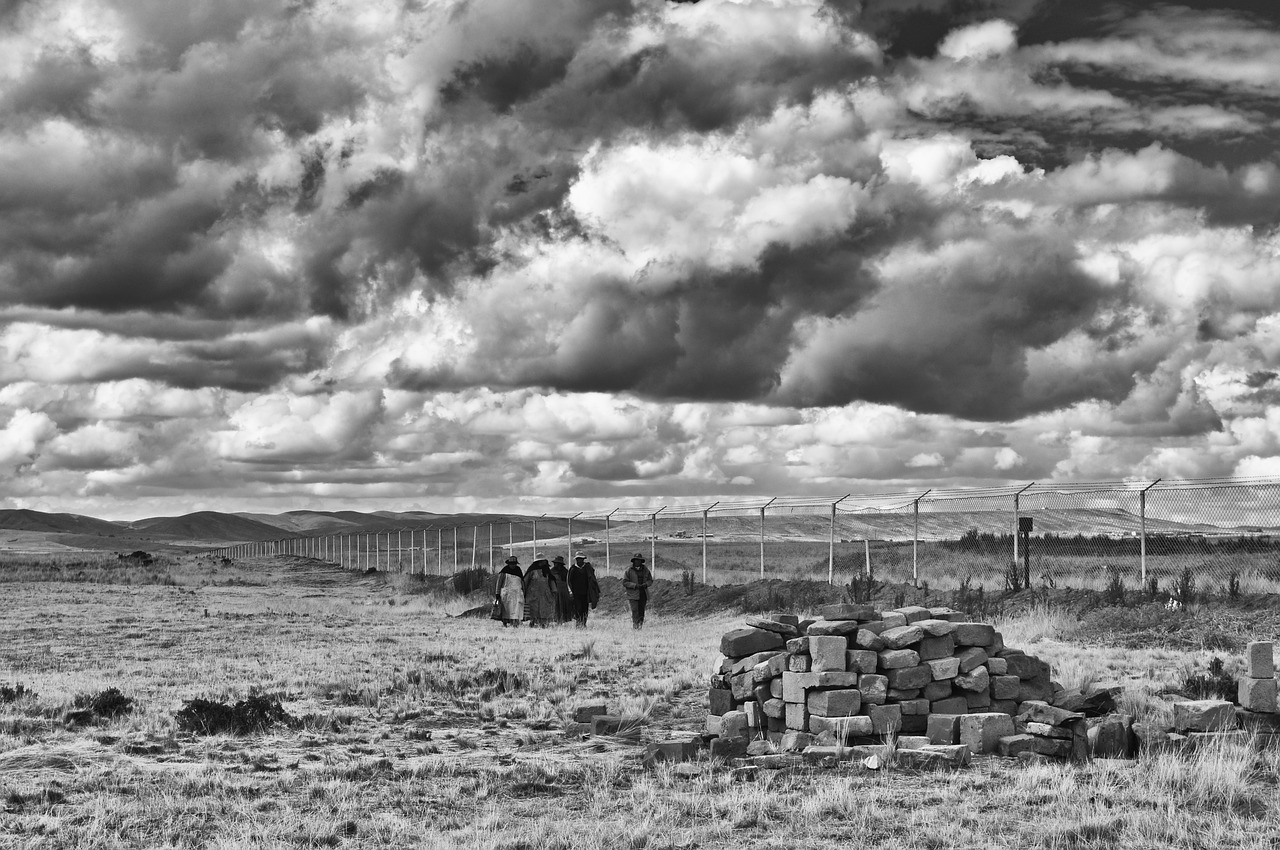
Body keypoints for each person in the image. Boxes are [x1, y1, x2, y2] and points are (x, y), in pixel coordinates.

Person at [523, 553, 556, 627]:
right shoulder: (531, 571)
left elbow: (551, 580)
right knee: (533, 609)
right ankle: (532, 621)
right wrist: (523, 591)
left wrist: (554, 590)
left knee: (544, 608)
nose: (542, 563)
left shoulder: (546, 571)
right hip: (533, 594)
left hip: (545, 593)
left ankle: (543, 623)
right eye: (540, 561)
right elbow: (525, 581)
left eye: (543, 561)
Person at [567, 553, 600, 628]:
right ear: (576, 560)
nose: (580, 561)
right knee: (578, 609)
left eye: (581, 559)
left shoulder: (587, 568)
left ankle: (584, 624)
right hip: (576, 594)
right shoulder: (572, 569)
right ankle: (578, 624)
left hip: (586, 593)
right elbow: (568, 581)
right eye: (578, 559)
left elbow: (592, 580)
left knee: (585, 609)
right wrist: (570, 592)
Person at [622, 552, 653, 629]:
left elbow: (650, 580)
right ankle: (635, 625)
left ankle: (640, 625)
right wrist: (635, 585)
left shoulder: (646, 570)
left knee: (641, 611)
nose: (637, 562)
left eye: (639, 560)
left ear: (641, 561)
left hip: (643, 593)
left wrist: (645, 584)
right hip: (633, 594)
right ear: (633, 561)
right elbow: (625, 582)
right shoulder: (629, 570)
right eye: (636, 560)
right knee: (635, 610)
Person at [494, 556, 525, 627]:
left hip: (517, 593)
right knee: (506, 609)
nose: (513, 565)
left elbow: (522, 581)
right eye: (512, 564)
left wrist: (523, 591)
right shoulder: (504, 571)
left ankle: (515, 623)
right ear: (509, 564)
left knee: (516, 609)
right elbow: (499, 583)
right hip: (507, 594)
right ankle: (505, 622)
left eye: (514, 564)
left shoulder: (518, 570)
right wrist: (497, 593)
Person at [549, 555, 573, 624]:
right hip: (555, 591)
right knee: (556, 606)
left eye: (557, 563)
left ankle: (562, 620)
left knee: (563, 606)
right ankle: (557, 620)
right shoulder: (552, 571)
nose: (555, 565)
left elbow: (569, 581)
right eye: (555, 563)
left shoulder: (565, 571)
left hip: (564, 592)